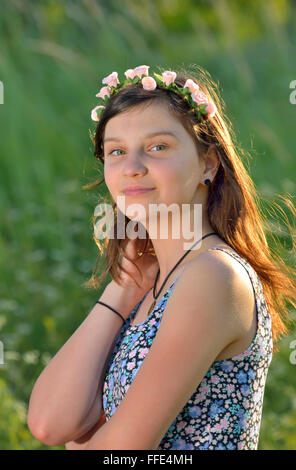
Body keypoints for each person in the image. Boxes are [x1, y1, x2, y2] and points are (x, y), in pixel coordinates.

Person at [27, 64, 296, 450]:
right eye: (116, 151)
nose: (133, 168)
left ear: (208, 163)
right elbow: (49, 423)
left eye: (158, 147)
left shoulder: (213, 276)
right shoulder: (156, 283)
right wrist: (123, 286)